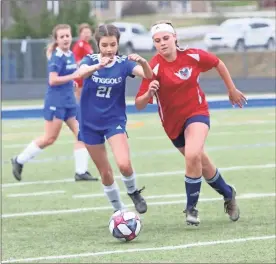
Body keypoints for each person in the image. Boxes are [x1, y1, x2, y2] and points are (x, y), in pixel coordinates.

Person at [135, 21, 247, 226]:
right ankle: (228, 193)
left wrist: (231, 89)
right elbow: (139, 104)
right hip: (172, 124)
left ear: (175, 37)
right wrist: (149, 92)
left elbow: (217, 63)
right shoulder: (152, 67)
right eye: (157, 40)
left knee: (193, 154)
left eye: (166, 38)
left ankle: (191, 208)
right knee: (201, 163)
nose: (162, 43)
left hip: (197, 113)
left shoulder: (192, 55)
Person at [76, 24, 153, 214]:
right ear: (98, 45)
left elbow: (149, 76)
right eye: (104, 45)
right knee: (105, 173)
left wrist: (143, 62)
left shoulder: (124, 63)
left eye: (112, 44)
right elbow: (80, 73)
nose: (109, 49)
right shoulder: (90, 60)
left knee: (124, 164)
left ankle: (133, 192)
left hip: (114, 121)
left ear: (118, 44)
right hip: (89, 124)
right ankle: (120, 211)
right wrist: (97, 65)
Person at [11, 24, 98, 182]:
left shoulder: (70, 54)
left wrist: (71, 82)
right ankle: (19, 160)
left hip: (70, 102)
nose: (65, 39)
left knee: (82, 134)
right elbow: (53, 80)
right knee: (49, 138)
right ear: (57, 40)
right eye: (62, 36)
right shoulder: (57, 57)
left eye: (67, 35)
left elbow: (68, 76)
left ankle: (81, 171)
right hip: (56, 103)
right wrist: (73, 77)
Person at [72, 23, 94, 101]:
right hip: (80, 77)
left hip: (87, 76)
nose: (87, 35)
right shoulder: (79, 45)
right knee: (79, 100)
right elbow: (76, 61)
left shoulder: (88, 45)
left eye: (88, 32)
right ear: (80, 34)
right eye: (85, 33)